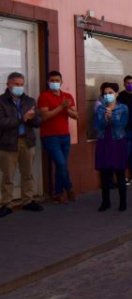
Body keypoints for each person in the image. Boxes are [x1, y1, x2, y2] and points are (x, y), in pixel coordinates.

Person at [0, 72, 43, 217]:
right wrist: (22, 119)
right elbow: (2, 123)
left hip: (27, 141)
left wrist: (31, 118)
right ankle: (6, 204)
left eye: (21, 84)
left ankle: (28, 201)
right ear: (8, 85)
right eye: (16, 84)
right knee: (8, 176)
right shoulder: (1, 101)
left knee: (28, 174)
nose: (19, 87)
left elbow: (38, 122)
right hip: (8, 144)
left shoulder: (29, 101)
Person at [38, 70, 78, 203]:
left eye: (57, 80)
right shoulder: (44, 96)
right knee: (61, 163)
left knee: (62, 165)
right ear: (48, 82)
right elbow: (45, 116)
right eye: (52, 81)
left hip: (65, 136)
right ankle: (69, 187)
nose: (55, 83)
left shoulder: (67, 96)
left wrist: (66, 109)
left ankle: (58, 193)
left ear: (61, 82)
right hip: (50, 136)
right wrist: (61, 107)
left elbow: (76, 115)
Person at [94, 82, 128, 211]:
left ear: (116, 94)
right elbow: (97, 126)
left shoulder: (123, 108)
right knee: (104, 173)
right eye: (105, 93)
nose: (107, 96)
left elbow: (122, 124)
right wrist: (104, 118)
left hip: (118, 142)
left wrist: (112, 117)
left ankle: (123, 202)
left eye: (110, 93)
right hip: (104, 141)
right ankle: (105, 201)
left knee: (119, 172)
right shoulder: (100, 108)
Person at [117, 75, 132, 183]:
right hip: (125, 128)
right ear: (124, 84)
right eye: (128, 83)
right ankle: (123, 176)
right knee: (125, 152)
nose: (130, 85)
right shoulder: (121, 96)